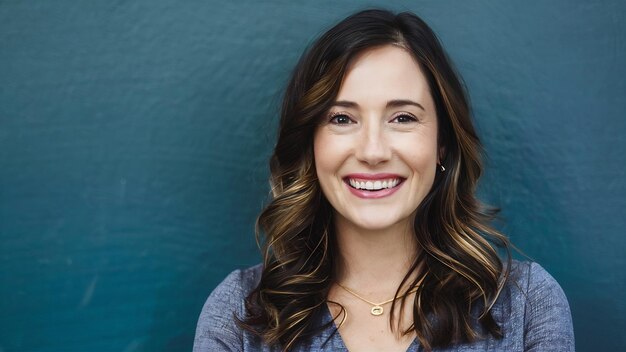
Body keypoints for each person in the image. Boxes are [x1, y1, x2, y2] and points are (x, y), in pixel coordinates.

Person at [193, 9, 574, 352]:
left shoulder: (525, 305)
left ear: (442, 144)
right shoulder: (241, 313)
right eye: (341, 119)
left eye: (403, 118)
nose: (373, 151)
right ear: (310, 144)